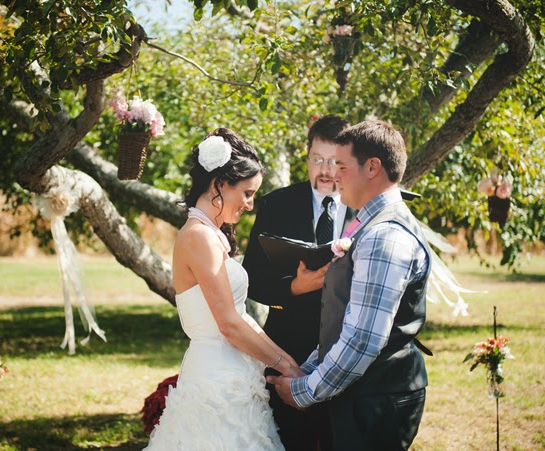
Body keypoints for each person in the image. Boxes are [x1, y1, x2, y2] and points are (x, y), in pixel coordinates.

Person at [267, 119, 432, 450]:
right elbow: (347, 321)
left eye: (342, 165)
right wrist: (308, 370)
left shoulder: (384, 237)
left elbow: (363, 339)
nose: (334, 175)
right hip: (359, 392)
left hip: (376, 400)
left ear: (372, 167)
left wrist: (304, 391)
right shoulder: (369, 226)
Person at [145, 128, 303, 451]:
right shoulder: (198, 237)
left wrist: (291, 362)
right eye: (247, 193)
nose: (250, 204)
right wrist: (285, 367)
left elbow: (242, 317)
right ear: (220, 184)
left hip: (234, 379)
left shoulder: (212, 234)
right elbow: (229, 324)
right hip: (214, 388)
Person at [242, 114, 355, 451]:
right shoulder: (276, 205)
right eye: (317, 159)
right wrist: (293, 288)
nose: (325, 171)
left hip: (346, 350)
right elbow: (251, 279)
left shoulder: (363, 209)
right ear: (306, 157)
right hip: (287, 350)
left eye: (335, 162)